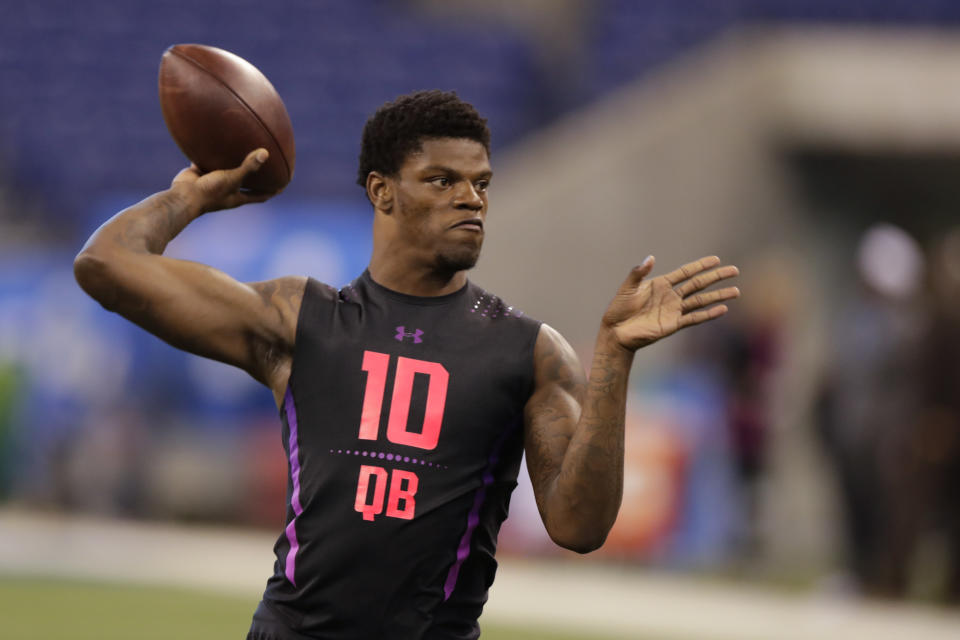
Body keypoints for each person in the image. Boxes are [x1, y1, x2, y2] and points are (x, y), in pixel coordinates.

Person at [74, 90, 739, 639]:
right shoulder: (299, 320)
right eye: (442, 180)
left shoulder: (528, 351)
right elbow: (105, 266)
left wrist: (614, 360)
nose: (471, 199)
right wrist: (191, 197)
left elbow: (579, 528)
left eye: (481, 183)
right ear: (382, 192)